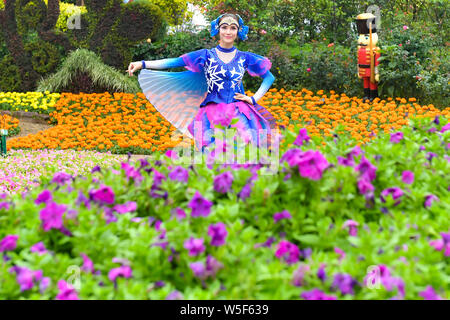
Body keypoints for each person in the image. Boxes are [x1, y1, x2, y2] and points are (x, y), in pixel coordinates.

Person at [127, 13, 278, 154]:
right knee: (214, 155)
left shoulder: (245, 57)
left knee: (242, 154)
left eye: (233, 28)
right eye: (224, 27)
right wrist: (142, 64)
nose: (228, 31)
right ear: (218, 30)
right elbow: (174, 61)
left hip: (238, 113)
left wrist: (253, 99)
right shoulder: (205, 55)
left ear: (238, 31)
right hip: (212, 113)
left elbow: (269, 77)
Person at [355, 13, 380, 103]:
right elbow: (359, 61)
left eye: (366, 37)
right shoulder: (360, 49)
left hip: (371, 70)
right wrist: (358, 70)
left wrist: (377, 73)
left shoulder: (375, 50)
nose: (361, 41)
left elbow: (377, 62)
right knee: (365, 82)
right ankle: (366, 95)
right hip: (363, 69)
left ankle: (373, 95)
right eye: (359, 37)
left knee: (372, 82)